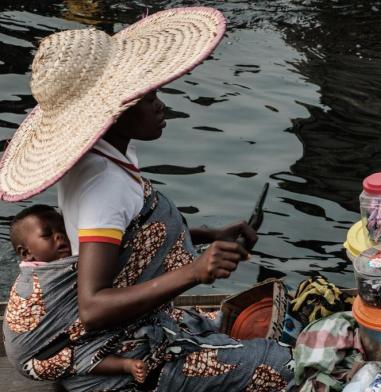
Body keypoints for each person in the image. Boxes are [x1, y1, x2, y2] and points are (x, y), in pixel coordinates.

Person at [0, 7, 295, 391]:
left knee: (238, 335)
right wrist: (195, 271)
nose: (160, 103)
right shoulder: (102, 187)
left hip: (129, 328)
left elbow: (131, 234)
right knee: (285, 365)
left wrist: (208, 234)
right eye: (147, 96)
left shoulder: (104, 155)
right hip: (109, 355)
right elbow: (92, 308)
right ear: (113, 113)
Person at [8, 204, 146, 384]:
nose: (59, 236)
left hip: (43, 347)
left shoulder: (50, 269)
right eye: (47, 234)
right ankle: (124, 365)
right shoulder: (48, 276)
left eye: (62, 230)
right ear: (26, 253)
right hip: (34, 359)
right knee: (78, 356)